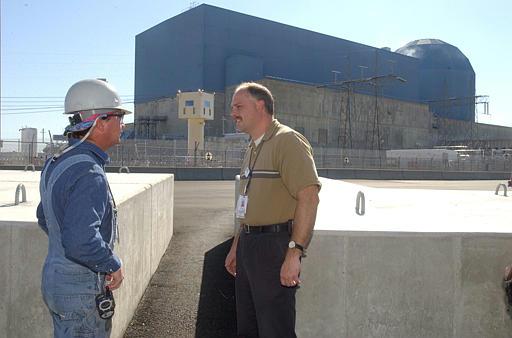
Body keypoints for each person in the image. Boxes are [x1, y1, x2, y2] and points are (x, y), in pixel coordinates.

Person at [224, 82, 321, 338]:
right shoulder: (253, 147)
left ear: (260, 106)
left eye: (238, 106)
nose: (232, 112)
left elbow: (309, 197)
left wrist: (294, 253)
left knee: (275, 329)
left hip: (274, 246)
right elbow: (247, 203)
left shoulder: (287, 141)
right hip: (249, 245)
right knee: (249, 326)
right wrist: (237, 245)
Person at [36, 79, 130, 337]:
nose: (123, 124)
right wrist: (111, 264)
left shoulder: (58, 161)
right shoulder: (90, 172)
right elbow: (80, 239)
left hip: (57, 281)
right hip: (81, 291)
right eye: (119, 116)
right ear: (99, 122)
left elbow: (44, 217)